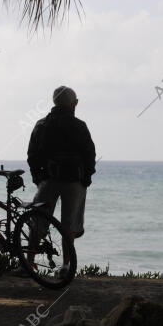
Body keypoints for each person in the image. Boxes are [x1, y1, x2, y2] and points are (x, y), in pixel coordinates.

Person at [27, 86, 96, 278]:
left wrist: (38, 178)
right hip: (75, 182)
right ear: (73, 104)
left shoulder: (42, 124)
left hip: (49, 180)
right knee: (69, 226)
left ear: (55, 102)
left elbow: (32, 154)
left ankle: (29, 263)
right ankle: (66, 266)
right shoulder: (80, 126)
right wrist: (86, 178)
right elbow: (90, 154)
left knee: (38, 221)